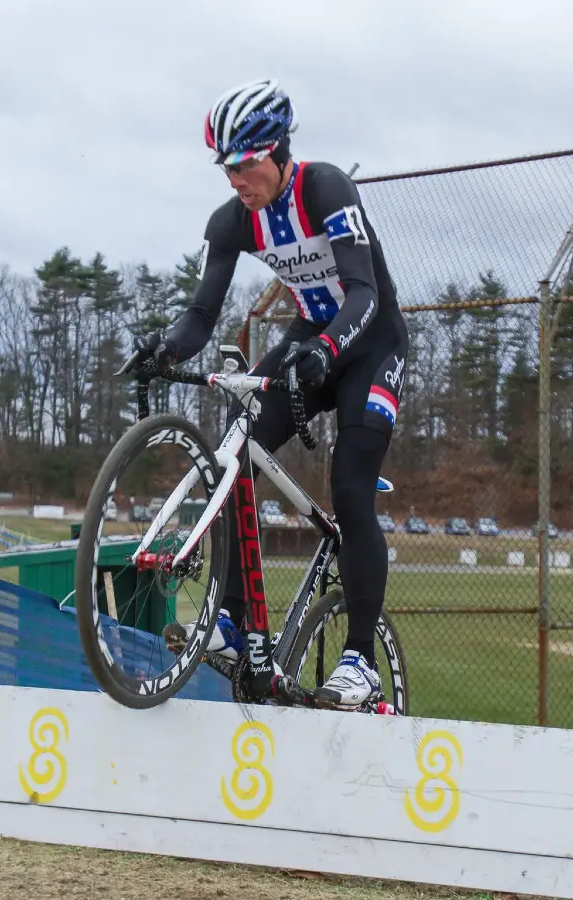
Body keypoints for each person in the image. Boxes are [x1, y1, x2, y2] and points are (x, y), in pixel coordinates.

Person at [134, 78, 409, 710]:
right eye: (225, 166)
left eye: (245, 163)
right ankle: (232, 625)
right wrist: (166, 349)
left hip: (372, 344)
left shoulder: (326, 188)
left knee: (350, 486)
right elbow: (200, 317)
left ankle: (360, 661)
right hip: (314, 337)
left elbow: (363, 293)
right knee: (236, 456)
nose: (234, 178)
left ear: (280, 151)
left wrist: (330, 350)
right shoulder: (232, 221)